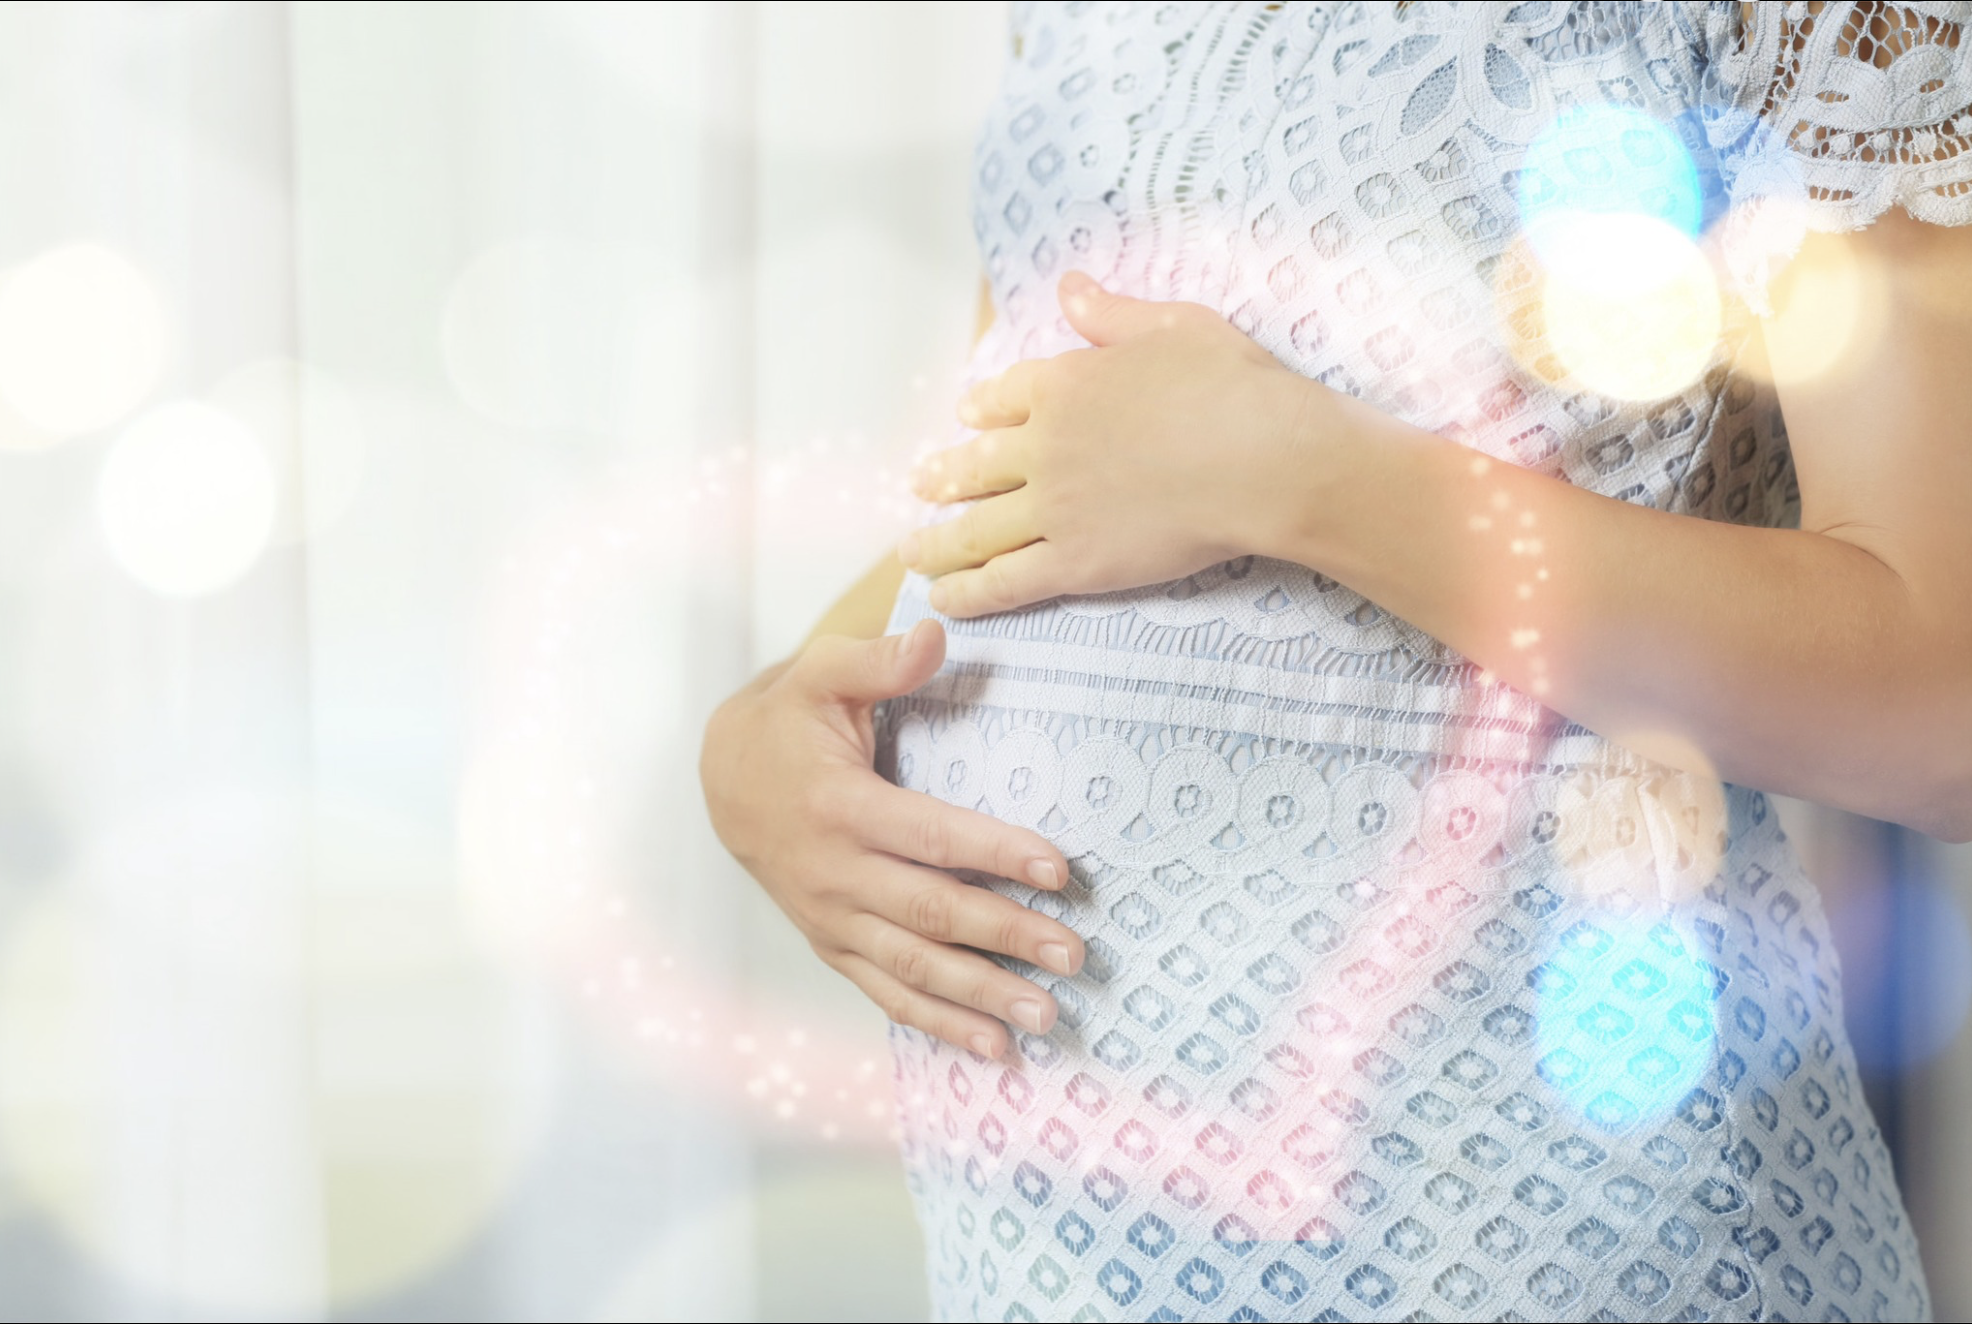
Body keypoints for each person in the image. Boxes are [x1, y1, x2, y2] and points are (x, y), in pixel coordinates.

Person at [702, 2, 1972, 1317]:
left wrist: (1305, 477)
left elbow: (1941, 705)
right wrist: (773, 723)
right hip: (1047, 1240)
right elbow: (1027, 473)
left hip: (1554, 1229)